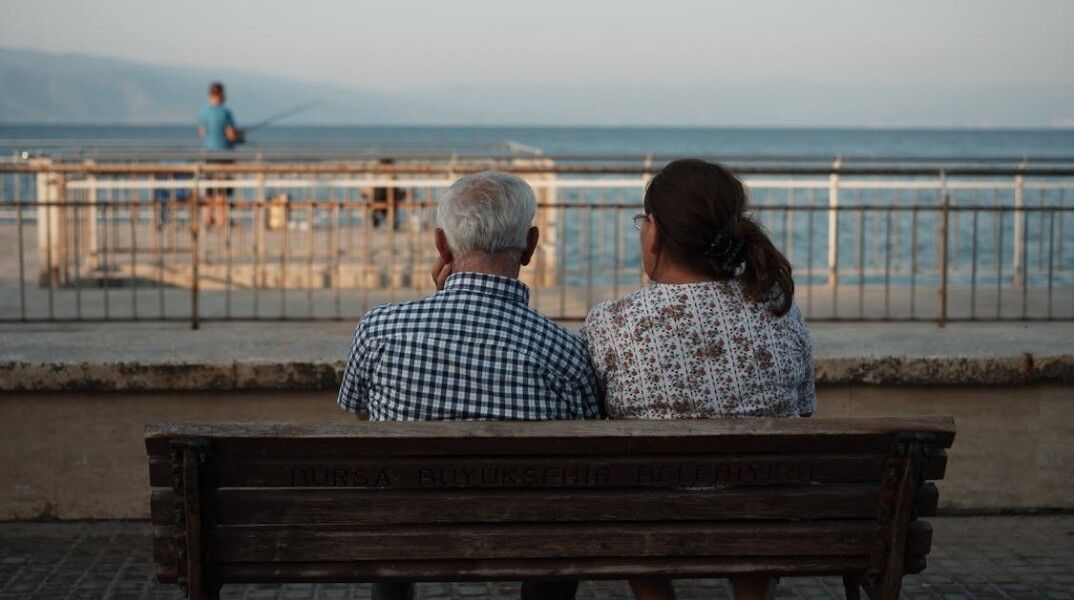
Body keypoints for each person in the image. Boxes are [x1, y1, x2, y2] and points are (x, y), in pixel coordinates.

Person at [338, 170, 603, 600]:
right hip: (527, 539)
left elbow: (364, 412)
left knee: (392, 491)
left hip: (403, 530)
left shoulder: (380, 329)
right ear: (530, 246)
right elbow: (587, 443)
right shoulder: (565, 351)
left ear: (441, 245)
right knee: (560, 510)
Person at [580, 159, 815, 600]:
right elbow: (802, 411)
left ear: (656, 233)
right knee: (763, 481)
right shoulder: (780, 309)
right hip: (763, 522)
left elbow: (592, 423)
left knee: (627, 488)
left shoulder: (612, 323)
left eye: (643, 223)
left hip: (655, 523)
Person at [197, 81, 238, 228]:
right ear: (221, 94)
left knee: (209, 189)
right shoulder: (225, 113)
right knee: (222, 190)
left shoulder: (202, 112)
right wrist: (237, 137)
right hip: (224, 155)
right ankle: (221, 220)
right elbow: (231, 134)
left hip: (208, 154)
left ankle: (207, 219)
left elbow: (202, 132)